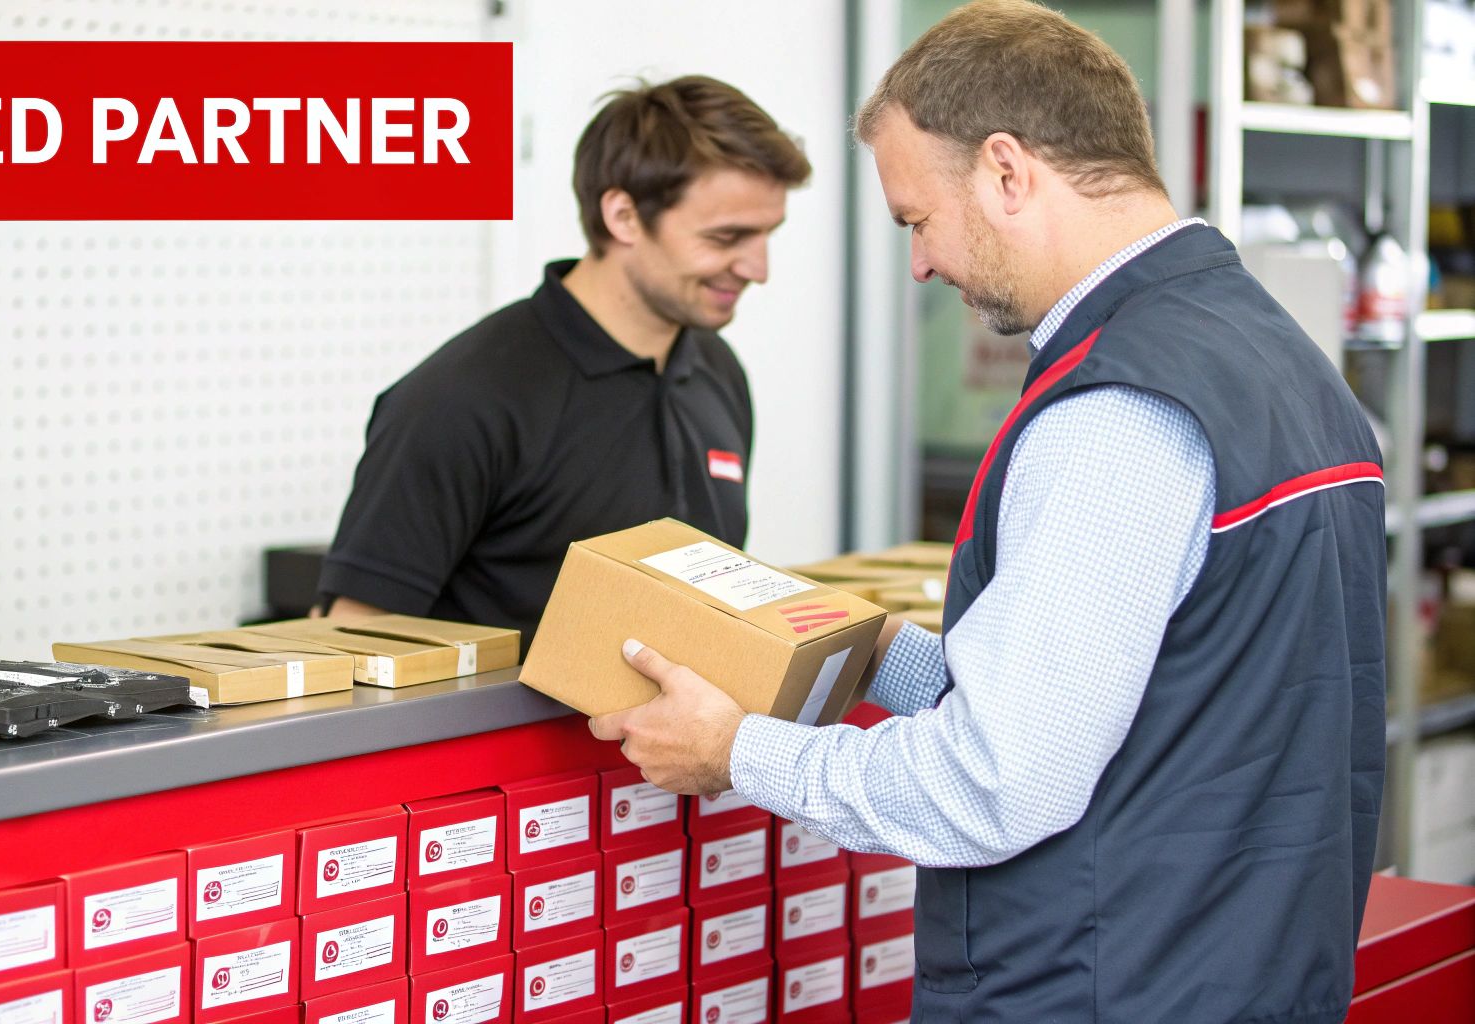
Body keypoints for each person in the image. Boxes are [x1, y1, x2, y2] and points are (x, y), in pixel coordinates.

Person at [588, 3, 1387, 1021]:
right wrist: (870, 649)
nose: (920, 264)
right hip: (1247, 970)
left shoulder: (1115, 409)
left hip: (1107, 988)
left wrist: (738, 749)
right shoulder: (1280, 363)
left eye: (916, 219)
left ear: (1006, 171)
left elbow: (995, 780)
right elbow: (1153, 689)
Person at [317, 76, 811, 646]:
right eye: (727, 237)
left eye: (767, 235)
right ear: (623, 216)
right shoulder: (464, 398)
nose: (757, 268)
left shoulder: (716, 371)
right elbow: (353, 641)